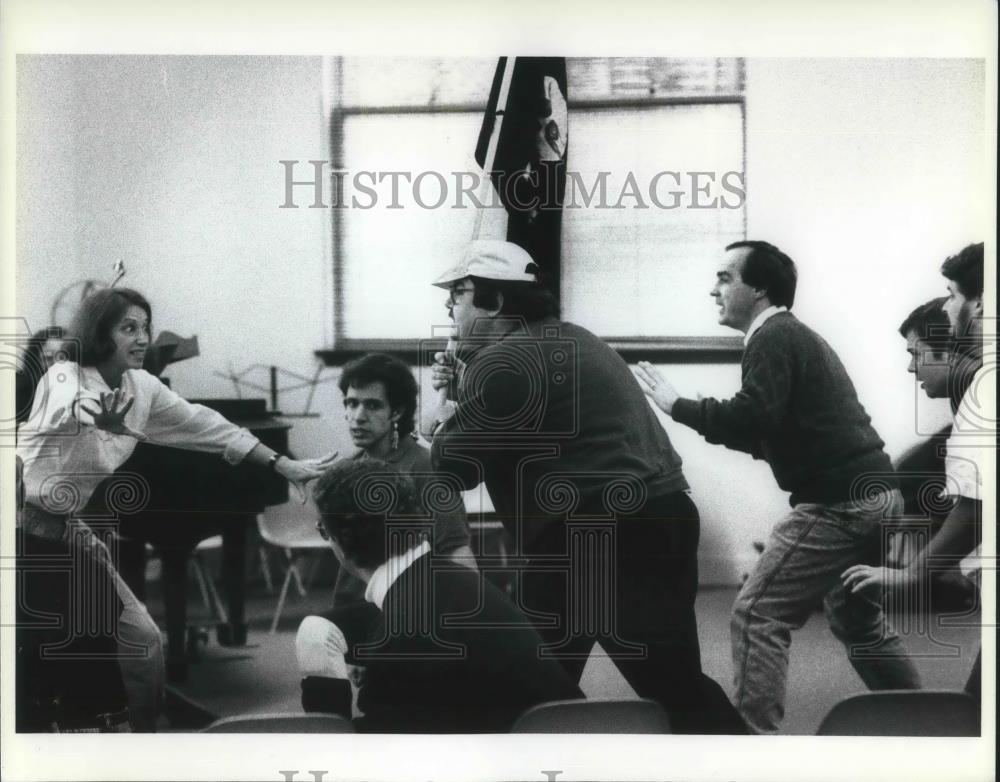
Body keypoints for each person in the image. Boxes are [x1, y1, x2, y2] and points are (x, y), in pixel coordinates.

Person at [426, 239, 746, 734]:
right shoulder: (576, 338)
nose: (449, 306)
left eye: (458, 294)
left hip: (592, 537)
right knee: (667, 686)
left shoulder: (503, 363)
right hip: (660, 517)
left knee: (528, 683)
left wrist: (447, 401)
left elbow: (453, 469)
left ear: (494, 301)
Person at [15, 287, 335, 731]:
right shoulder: (65, 374)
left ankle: (144, 734)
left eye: (145, 327)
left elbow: (208, 427)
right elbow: (71, 403)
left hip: (63, 528)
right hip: (17, 530)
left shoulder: (142, 388)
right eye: (129, 328)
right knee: (59, 653)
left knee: (143, 639)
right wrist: (97, 414)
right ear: (100, 333)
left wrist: (284, 465)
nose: (143, 337)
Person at [635, 240, 921, 734]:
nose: (714, 288)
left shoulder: (771, 337)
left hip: (840, 502)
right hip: (877, 493)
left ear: (760, 288)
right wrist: (711, 420)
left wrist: (678, 405)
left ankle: (757, 751)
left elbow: (752, 415)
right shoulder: (792, 337)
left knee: (757, 614)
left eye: (726, 277)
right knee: (857, 622)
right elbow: (768, 432)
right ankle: (928, 720)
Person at [297, 459, 583, 732]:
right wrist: (315, 628)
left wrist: (324, 715)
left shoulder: (405, 632)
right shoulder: (446, 580)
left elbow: (379, 750)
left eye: (324, 529)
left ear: (341, 541)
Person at [843, 242, 987, 699]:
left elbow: (975, 507)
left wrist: (913, 574)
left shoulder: (984, 389)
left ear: (979, 303)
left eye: (952, 294)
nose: (949, 306)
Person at [328, 353, 474, 609]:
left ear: (397, 411)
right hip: (354, 604)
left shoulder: (425, 468)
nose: (358, 416)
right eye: (351, 403)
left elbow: (457, 554)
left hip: (406, 610)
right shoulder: (348, 469)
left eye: (372, 405)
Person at [15, 326, 65, 426]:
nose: (56, 364)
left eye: (62, 358)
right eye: (48, 357)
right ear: (35, 358)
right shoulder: (20, 389)